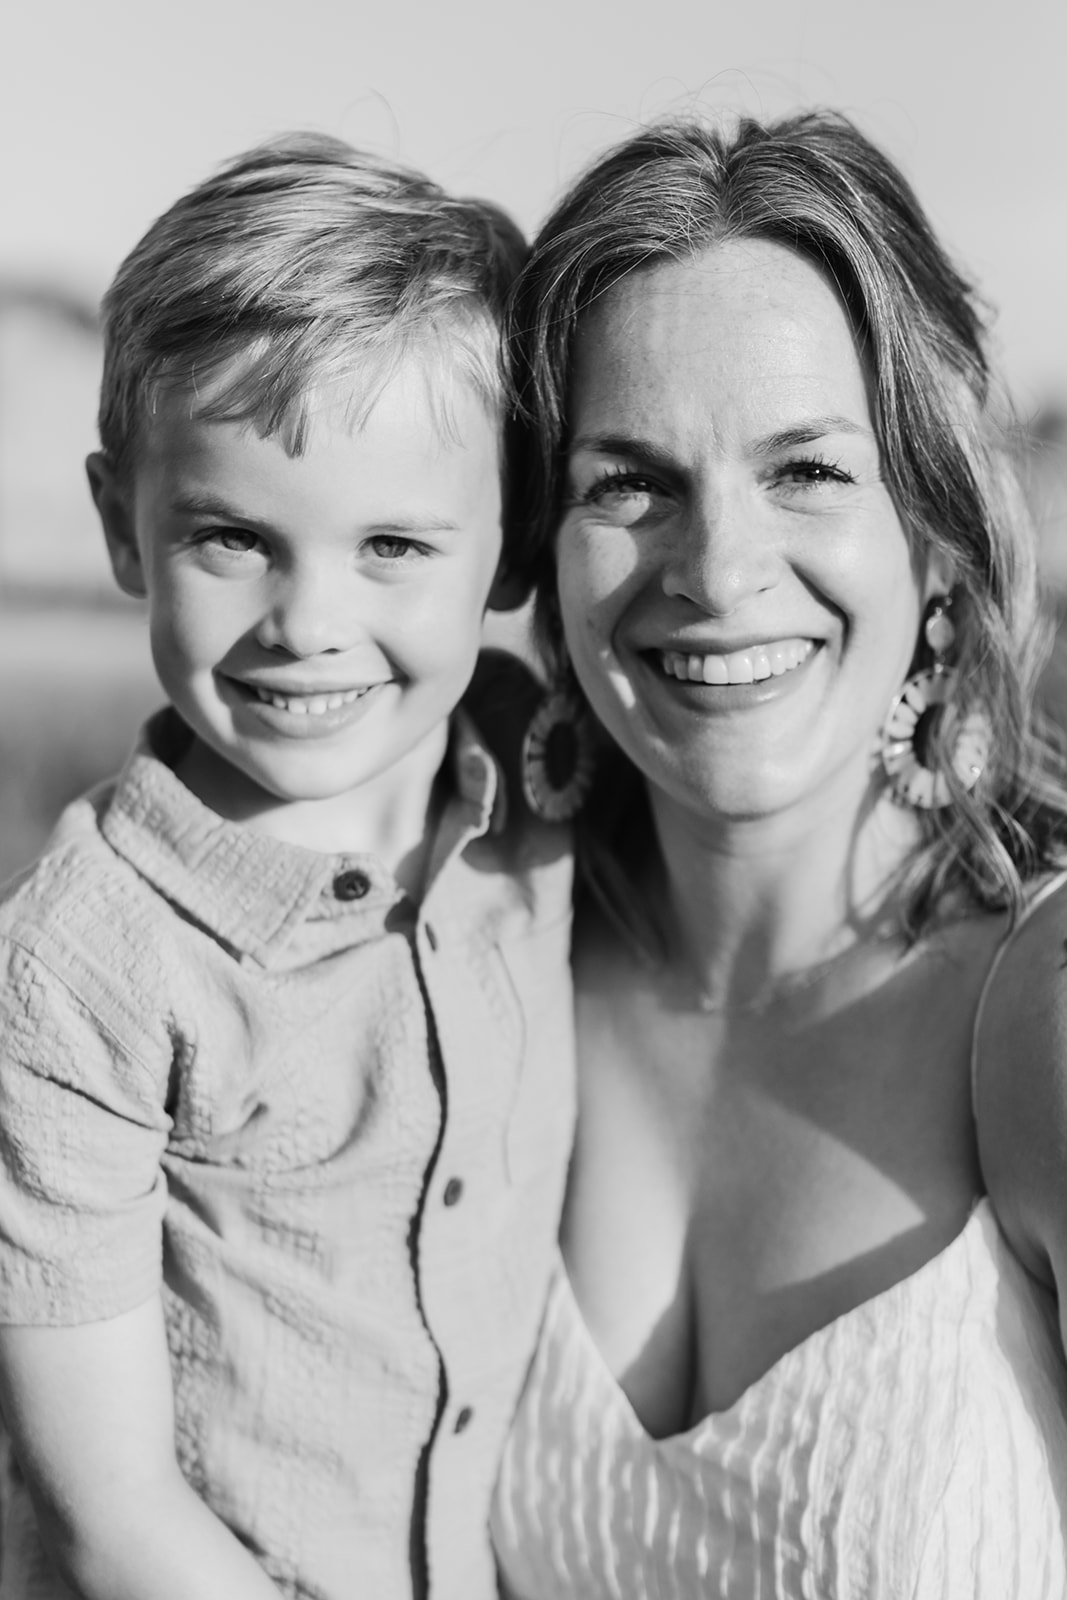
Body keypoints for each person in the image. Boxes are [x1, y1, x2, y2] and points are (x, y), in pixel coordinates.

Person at [490, 111, 1067, 1598]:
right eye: (628, 482)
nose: (719, 569)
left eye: (806, 469)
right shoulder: (485, 977)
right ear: (546, 569)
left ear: (936, 544)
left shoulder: (1041, 1013)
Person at [0, 134, 576, 1600]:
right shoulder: (79, 967)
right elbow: (113, 1517)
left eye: (392, 543)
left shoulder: (544, 780)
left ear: (509, 553)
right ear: (121, 526)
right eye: (232, 538)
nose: (308, 620)